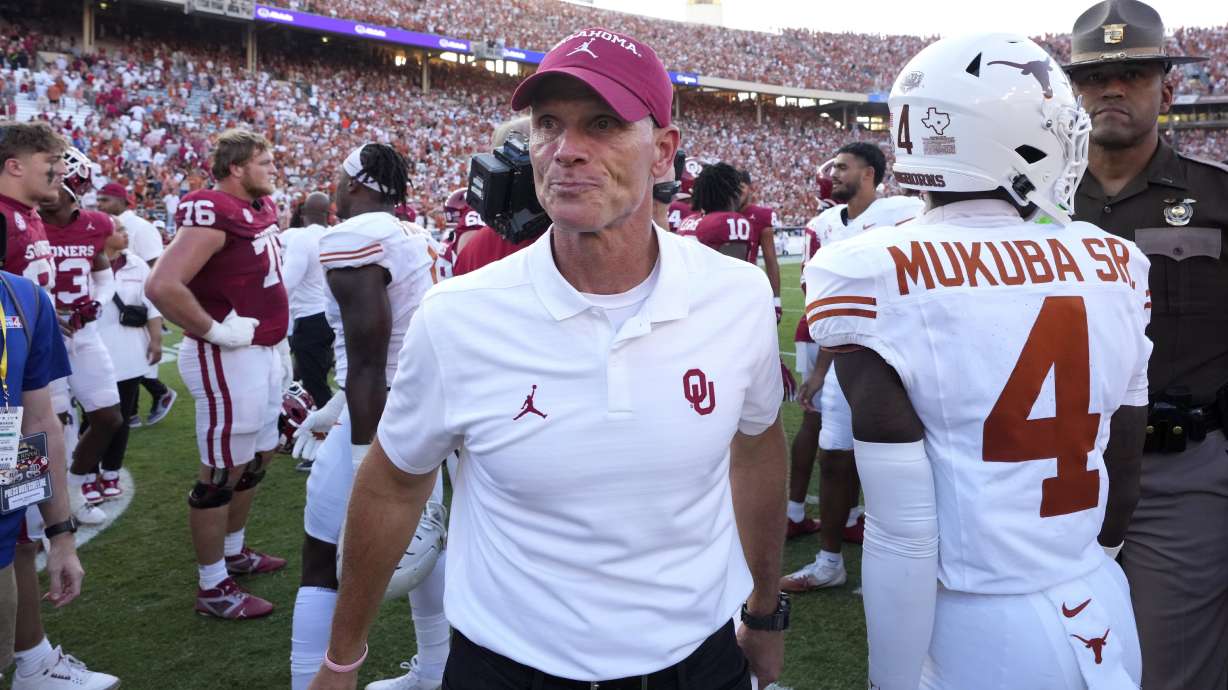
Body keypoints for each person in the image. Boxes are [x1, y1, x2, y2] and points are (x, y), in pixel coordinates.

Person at [311, 27, 788, 690]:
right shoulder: (461, 316)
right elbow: (394, 484)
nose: (567, 151)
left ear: (663, 154)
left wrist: (765, 612)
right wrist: (342, 660)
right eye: (548, 125)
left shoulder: (736, 297)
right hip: (509, 668)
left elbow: (758, 446)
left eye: (603, 124)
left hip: (697, 663)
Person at [807, 33, 1150, 690]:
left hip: (976, 625)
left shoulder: (870, 269)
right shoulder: (1116, 260)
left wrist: (892, 678)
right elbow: (1124, 464)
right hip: (1100, 600)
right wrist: (1088, 559)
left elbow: (902, 533)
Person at [1063, 1, 1227, 687]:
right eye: (1094, 75)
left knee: (1168, 669)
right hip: (1053, 473)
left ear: (1167, 85)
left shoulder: (1217, 198)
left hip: (1177, 471)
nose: (1111, 88)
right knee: (1057, 660)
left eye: (1132, 72)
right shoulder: (1035, 206)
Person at [288, 143, 446, 690]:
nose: (332, 185)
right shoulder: (411, 232)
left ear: (357, 184)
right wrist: (332, 403)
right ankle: (433, 671)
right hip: (420, 406)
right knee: (428, 539)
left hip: (384, 415)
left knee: (322, 558)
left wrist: (364, 461)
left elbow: (370, 360)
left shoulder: (354, 237)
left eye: (337, 176)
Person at [146, 128, 289, 619]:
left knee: (257, 457)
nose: (273, 169)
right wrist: (217, 332)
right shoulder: (212, 210)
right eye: (263, 161)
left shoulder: (260, 209)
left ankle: (234, 551)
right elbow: (162, 285)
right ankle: (212, 586)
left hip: (263, 349)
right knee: (221, 471)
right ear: (235, 168)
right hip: (227, 355)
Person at [782, 143, 921, 593]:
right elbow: (826, 306)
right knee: (835, 456)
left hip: (897, 353)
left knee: (898, 459)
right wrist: (821, 370)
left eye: (842, 167)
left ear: (869, 174)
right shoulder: (821, 226)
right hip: (843, 355)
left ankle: (900, 560)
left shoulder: (903, 212)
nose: (832, 174)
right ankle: (829, 562)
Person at [0, 120, 89, 687]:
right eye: (46, 162)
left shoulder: (24, 294)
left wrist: (58, 528)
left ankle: (31, 658)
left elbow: (32, 422)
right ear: (13, 165)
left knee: (17, 531)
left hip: (15, 418)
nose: (57, 173)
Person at [38, 148, 124, 523]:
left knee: (108, 416)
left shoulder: (95, 224)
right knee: (49, 426)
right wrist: (42, 311)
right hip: (39, 337)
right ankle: (41, 515)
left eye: (57, 177)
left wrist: (97, 304)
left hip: (84, 335)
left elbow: (103, 274)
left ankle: (72, 494)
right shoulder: (22, 221)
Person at [95, 219, 162, 504]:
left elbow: (152, 305)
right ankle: (87, 473)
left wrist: (156, 340)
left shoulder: (137, 264)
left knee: (120, 418)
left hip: (130, 353)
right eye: (119, 230)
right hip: (93, 352)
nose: (126, 235)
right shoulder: (86, 264)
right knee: (95, 417)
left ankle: (111, 472)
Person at [97, 182, 174, 427]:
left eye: (106, 200)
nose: (101, 205)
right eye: (99, 201)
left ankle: (153, 396)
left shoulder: (141, 227)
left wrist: (156, 310)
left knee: (133, 358)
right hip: (116, 304)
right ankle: (132, 411)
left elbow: (156, 267)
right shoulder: (100, 227)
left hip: (136, 300)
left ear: (122, 201)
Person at [281, 191, 334, 428]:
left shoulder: (302, 239)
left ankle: (325, 438)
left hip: (309, 317)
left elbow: (287, 282)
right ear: (327, 213)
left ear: (303, 214)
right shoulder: (333, 236)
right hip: (332, 316)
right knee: (315, 376)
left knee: (314, 386)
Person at [737, 170, 783, 322]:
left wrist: (776, 300)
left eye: (741, 186)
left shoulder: (761, 215)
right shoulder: (719, 213)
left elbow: (771, 261)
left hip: (749, 287)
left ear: (750, 188)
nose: (736, 191)